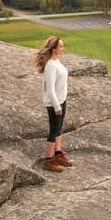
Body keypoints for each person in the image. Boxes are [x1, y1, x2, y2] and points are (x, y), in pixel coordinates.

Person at [36, 35, 72, 169]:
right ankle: (49, 160)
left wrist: (62, 101)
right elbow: (50, 89)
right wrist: (57, 106)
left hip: (62, 100)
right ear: (53, 49)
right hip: (54, 104)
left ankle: (58, 153)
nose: (63, 48)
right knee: (53, 130)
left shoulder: (57, 61)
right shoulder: (51, 65)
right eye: (61, 46)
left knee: (59, 129)